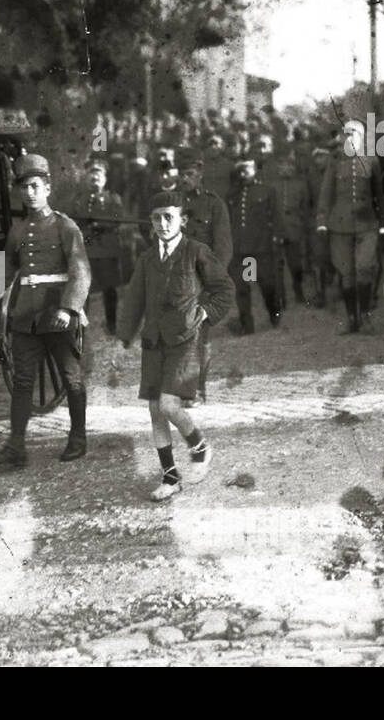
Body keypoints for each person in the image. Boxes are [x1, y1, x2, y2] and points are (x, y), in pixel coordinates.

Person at [0, 154, 91, 467]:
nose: (30, 192)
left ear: (47, 187)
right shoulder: (17, 231)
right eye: (24, 187)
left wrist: (69, 307)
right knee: (23, 382)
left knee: (71, 377)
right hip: (25, 317)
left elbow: (81, 272)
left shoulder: (65, 226)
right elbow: (6, 274)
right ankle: (16, 447)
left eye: (35, 186)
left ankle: (78, 438)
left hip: (57, 315)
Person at [116, 189, 234, 502]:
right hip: (154, 341)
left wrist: (204, 313)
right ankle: (170, 477)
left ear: (182, 220)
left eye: (169, 217)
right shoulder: (146, 258)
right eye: (156, 217)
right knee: (156, 410)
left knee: (169, 405)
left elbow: (224, 290)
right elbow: (134, 300)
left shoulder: (197, 251)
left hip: (187, 342)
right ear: (150, 221)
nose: (163, 223)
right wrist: (124, 335)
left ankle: (200, 447)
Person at [316, 121, 384, 334]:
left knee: (364, 268)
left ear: (362, 137)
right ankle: (351, 319)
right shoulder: (335, 162)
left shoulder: (371, 161)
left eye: (354, 133)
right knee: (346, 273)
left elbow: (379, 196)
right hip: (339, 225)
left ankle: (365, 316)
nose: (349, 137)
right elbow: (326, 193)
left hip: (367, 224)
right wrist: (321, 221)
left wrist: (383, 225)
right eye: (346, 134)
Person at [178, 158, 231, 406]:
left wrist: (213, 281)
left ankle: (198, 390)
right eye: (182, 174)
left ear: (200, 174)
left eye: (189, 173)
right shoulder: (173, 203)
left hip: (203, 280)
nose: (184, 178)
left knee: (200, 336)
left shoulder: (214, 204)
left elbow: (223, 247)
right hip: (177, 281)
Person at [72, 159, 126, 331]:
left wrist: (98, 225)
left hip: (106, 251)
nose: (95, 177)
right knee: (83, 288)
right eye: (91, 174)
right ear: (86, 177)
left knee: (109, 289)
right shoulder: (80, 199)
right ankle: (82, 323)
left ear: (105, 179)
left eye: (99, 174)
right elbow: (74, 221)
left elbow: (118, 220)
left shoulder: (113, 198)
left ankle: (111, 324)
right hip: (85, 250)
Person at [228, 159, 281, 333]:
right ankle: (247, 324)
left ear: (255, 171)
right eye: (241, 171)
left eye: (247, 170)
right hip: (243, 250)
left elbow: (276, 217)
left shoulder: (267, 191)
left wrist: (276, 239)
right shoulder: (234, 194)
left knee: (267, 285)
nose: (244, 174)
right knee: (243, 287)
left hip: (261, 249)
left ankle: (274, 312)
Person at [269, 153, 313, 306]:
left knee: (296, 264)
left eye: (289, 166)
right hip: (276, 229)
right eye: (282, 166)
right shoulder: (272, 185)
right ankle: (282, 298)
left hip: (294, 228)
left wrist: (304, 226)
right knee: (277, 265)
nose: (286, 168)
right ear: (278, 168)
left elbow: (306, 208)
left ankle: (298, 291)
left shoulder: (301, 185)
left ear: (293, 168)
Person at [306, 147, 334, 307]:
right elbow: (307, 200)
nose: (319, 160)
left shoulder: (337, 173)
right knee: (318, 258)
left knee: (336, 257)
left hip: (337, 220)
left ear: (329, 156)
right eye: (316, 157)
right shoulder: (310, 177)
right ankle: (320, 294)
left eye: (322, 156)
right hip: (317, 222)